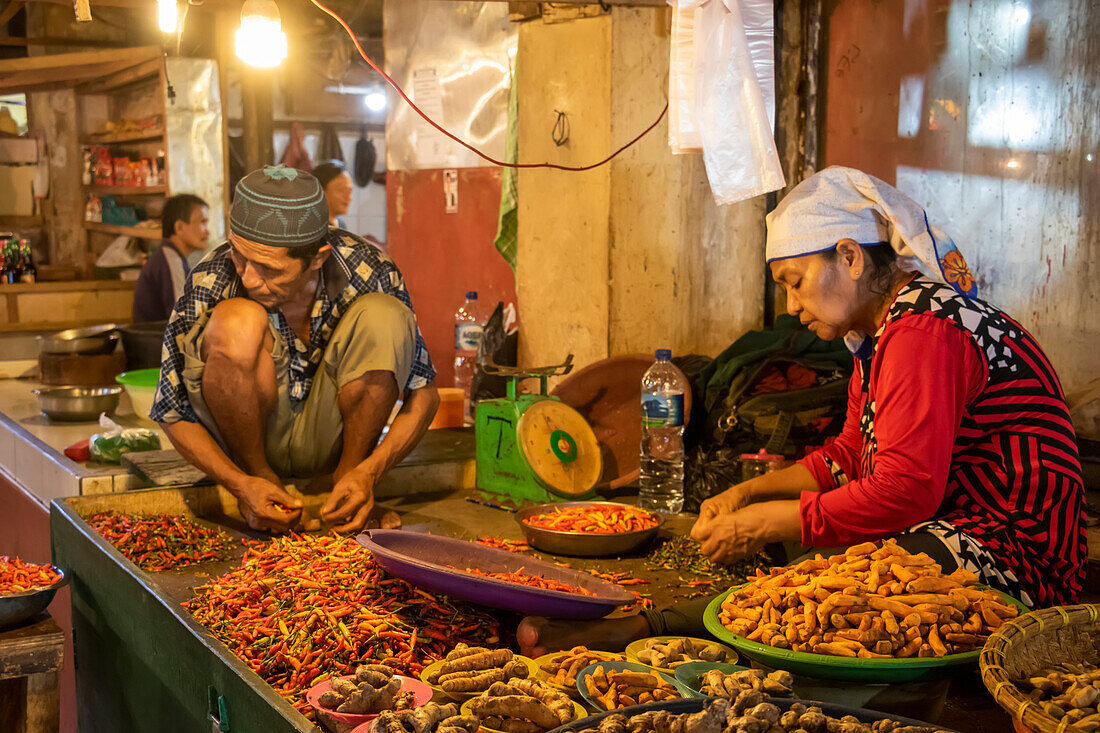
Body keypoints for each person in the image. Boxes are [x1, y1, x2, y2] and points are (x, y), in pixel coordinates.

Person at [517, 166, 1084, 657]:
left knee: (816, 595)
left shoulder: (922, 332)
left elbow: (906, 489)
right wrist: (752, 496)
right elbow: (849, 455)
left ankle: (634, 630)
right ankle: (659, 623)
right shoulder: (879, 333)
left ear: (850, 256)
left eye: (796, 283)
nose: (790, 306)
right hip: (952, 525)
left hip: (1014, 557)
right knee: (799, 557)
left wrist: (769, 521)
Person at [150, 164, 439, 533]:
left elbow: (424, 396)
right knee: (237, 321)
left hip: (334, 440)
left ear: (317, 258)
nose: (248, 277)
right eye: (240, 256)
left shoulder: (371, 271)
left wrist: (370, 473)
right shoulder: (213, 276)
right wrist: (241, 485)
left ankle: (345, 489)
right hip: (249, 451)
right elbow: (170, 411)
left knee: (385, 316)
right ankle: (264, 484)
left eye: (270, 269)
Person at [133, 194, 209, 322]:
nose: (207, 231)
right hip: (154, 340)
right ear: (179, 227)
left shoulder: (171, 257)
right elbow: (181, 318)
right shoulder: (171, 261)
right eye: (202, 222)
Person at [312, 159, 354, 229]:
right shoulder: (311, 228)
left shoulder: (340, 224)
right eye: (342, 190)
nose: (349, 198)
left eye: (349, 191)